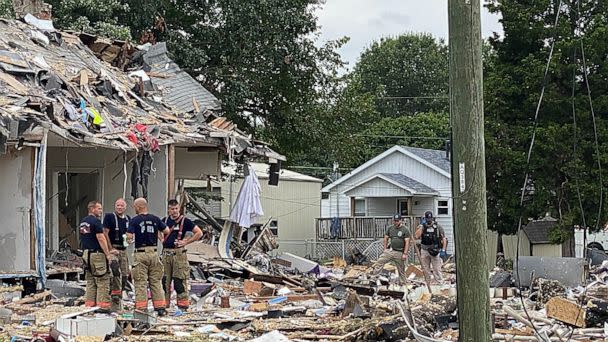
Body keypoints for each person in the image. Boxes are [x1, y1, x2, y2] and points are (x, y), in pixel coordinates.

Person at [127, 198, 170, 316]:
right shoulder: (155, 219)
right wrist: (158, 235)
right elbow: (166, 230)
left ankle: (141, 308)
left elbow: (129, 237)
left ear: (139, 207)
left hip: (140, 253)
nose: (134, 208)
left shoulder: (134, 220)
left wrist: (129, 239)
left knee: (140, 282)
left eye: (135, 206)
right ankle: (160, 307)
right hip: (154, 253)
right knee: (156, 281)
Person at [161, 199, 203, 310]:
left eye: (176, 209)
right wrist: (161, 238)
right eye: (172, 209)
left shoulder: (185, 221)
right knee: (165, 280)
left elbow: (199, 233)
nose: (174, 211)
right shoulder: (164, 221)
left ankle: (182, 306)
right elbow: (157, 229)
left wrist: (185, 242)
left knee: (179, 280)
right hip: (166, 254)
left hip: (178, 254)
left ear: (179, 208)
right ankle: (165, 305)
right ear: (168, 209)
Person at [80, 201, 114, 311]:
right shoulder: (96, 222)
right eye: (99, 208)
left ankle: (89, 306)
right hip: (97, 255)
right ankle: (102, 307)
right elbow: (100, 238)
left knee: (91, 281)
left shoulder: (83, 222)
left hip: (86, 254)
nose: (101, 211)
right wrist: (108, 254)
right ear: (92, 209)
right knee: (102, 280)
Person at [102, 198, 130, 311]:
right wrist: (110, 248)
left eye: (121, 205)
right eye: (117, 205)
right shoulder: (109, 217)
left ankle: (119, 296)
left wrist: (130, 239)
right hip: (113, 249)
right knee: (115, 272)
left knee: (124, 275)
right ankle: (113, 299)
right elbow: (105, 233)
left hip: (123, 250)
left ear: (125, 207)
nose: (119, 207)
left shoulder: (128, 219)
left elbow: (130, 234)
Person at [371, 214, 411, 284]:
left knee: (401, 269)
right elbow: (386, 238)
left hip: (399, 252)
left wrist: (405, 253)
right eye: (395, 221)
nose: (396, 222)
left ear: (401, 221)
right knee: (380, 261)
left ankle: (403, 282)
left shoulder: (405, 229)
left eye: (397, 221)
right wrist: (385, 248)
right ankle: (374, 278)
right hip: (390, 250)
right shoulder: (390, 228)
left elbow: (407, 242)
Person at [415, 211, 447, 283]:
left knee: (436, 268)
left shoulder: (438, 226)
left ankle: (440, 283)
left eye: (430, 219)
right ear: (425, 218)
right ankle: (428, 283)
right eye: (427, 219)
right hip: (424, 250)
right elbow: (416, 236)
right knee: (425, 269)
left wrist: (443, 250)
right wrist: (422, 226)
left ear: (432, 218)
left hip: (434, 250)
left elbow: (444, 238)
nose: (429, 220)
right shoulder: (422, 226)